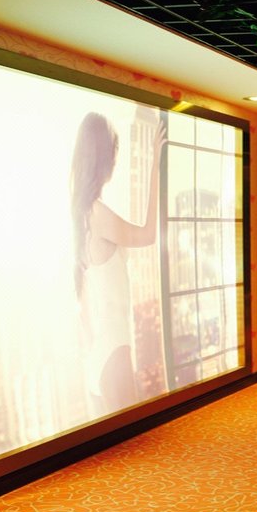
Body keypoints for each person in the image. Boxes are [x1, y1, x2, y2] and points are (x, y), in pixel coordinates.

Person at [69, 112, 165, 414]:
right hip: (113, 345)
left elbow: (85, 299)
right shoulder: (97, 214)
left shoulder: (83, 215)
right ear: (103, 160)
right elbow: (148, 234)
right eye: (113, 152)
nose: (115, 161)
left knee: (119, 436)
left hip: (100, 350)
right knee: (131, 433)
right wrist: (155, 165)